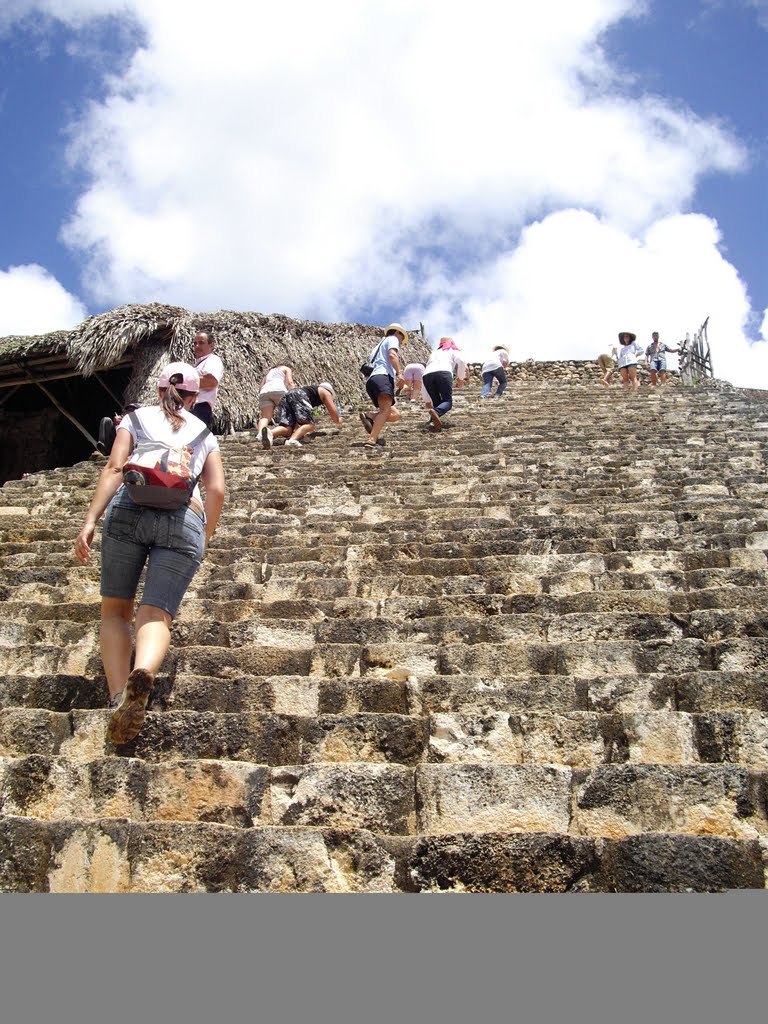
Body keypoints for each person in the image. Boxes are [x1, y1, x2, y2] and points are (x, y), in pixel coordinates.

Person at [74, 362, 225, 745]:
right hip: (184, 516)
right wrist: (204, 534)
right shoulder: (203, 431)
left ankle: (117, 696)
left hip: (129, 509)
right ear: (194, 396)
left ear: (159, 390)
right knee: (155, 612)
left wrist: (91, 519)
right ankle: (143, 671)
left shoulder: (134, 418)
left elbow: (113, 467)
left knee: (115, 609)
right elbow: (217, 490)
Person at [359, 323, 407, 448]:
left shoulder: (377, 347)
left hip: (372, 380)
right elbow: (392, 355)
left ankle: (370, 417)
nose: (401, 342)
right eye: (402, 338)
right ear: (397, 333)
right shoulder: (393, 339)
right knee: (385, 411)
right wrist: (400, 373)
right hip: (383, 377)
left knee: (395, 415)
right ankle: (372, 440)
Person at [271, 382, 342, 447]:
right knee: (310, 425)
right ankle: (292, 440)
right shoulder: (326, 392)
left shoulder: (313, 390)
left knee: (288, 428)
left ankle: (270, 433)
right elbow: (332, 409)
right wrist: (337, 419)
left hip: (287, 395)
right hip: (300, 395)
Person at [422, 337, 469, 430]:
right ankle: (436, 412)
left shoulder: (434, 353)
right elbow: (462, 361)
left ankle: (433, 422)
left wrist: (426, 399)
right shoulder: (452, 349)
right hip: (444, 372)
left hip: (427, 375)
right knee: (447, 401)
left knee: (437, 402)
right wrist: (460, 378)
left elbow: (424, 374)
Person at [258, 361, 296, 449]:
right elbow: (290, 383)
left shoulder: (269, 372)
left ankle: (260, 435)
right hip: (279, 390)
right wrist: (294, 393)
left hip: (264, 392)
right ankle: (284, 430)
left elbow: (261, 386)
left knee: (265, 417)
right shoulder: (286, 369)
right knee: (287, 413)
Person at [192, 331, 224, 428]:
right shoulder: (199, 363)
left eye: (201, 343)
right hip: (192, 408)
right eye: (195, 343)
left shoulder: (212, 360)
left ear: (211, 345)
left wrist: (185, 380)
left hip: (199, 409)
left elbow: (211, 382)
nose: (197, 346)